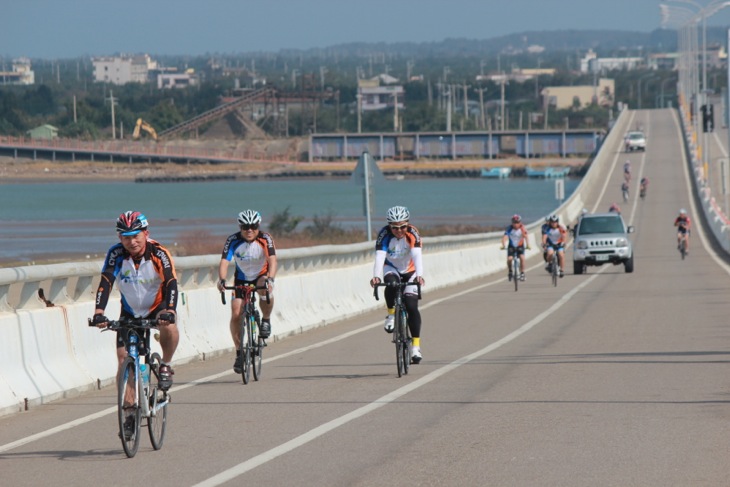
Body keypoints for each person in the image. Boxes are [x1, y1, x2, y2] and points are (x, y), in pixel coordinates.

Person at [91, 211, 179, 439]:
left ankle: (166, 365)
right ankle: (129, 413)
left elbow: (170, 281)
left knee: (169, 327)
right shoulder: (116, 254)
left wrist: (170, 310)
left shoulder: (159, 252)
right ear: (120, 238)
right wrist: (99, 312)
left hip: (157, 307)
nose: (132, 241)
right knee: (124, 360)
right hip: (130, 311)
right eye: (126, 236)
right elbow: (106, 280)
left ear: (146, 234)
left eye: (136, 235)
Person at [217, 210, 278, 374]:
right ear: (240, 227)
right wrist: (222, 280)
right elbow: (224, 262)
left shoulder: (265, 239)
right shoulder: (233, 240)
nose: (249, 230)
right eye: (245, 227)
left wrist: (271, 279)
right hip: (241, 280)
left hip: (260, 276)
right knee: (236, 312)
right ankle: (239, 353)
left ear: (258, 226)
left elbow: (272, 260)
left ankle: (266, 319)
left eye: (253, 226)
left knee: (264, 287)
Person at [369, 206, 426, 364]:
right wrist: (375, 277)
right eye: (395, 227)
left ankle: (415, 347)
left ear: (407, 224)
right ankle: (391, 314)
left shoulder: (413, 233)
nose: (399, 231)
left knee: (411, 306)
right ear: (389, 226)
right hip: (391, 268)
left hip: (411, 270)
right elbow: (380, 257)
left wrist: (419, 276)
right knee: (392, 284)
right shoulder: (384, 234)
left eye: (402, 227)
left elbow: (417, 255)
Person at [501, 214, 530, 282]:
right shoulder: (509, 228)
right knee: (510, 259)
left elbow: (526, 236)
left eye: (517, 222)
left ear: (520, 222)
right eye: (514, 222)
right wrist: (503, 245)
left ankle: (522, 273)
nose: (516, 224)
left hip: (520, 246)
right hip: (511, 246)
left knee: (522, 257)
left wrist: (528, 245)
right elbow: (505, 237)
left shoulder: (522, 228)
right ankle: (510, 271)